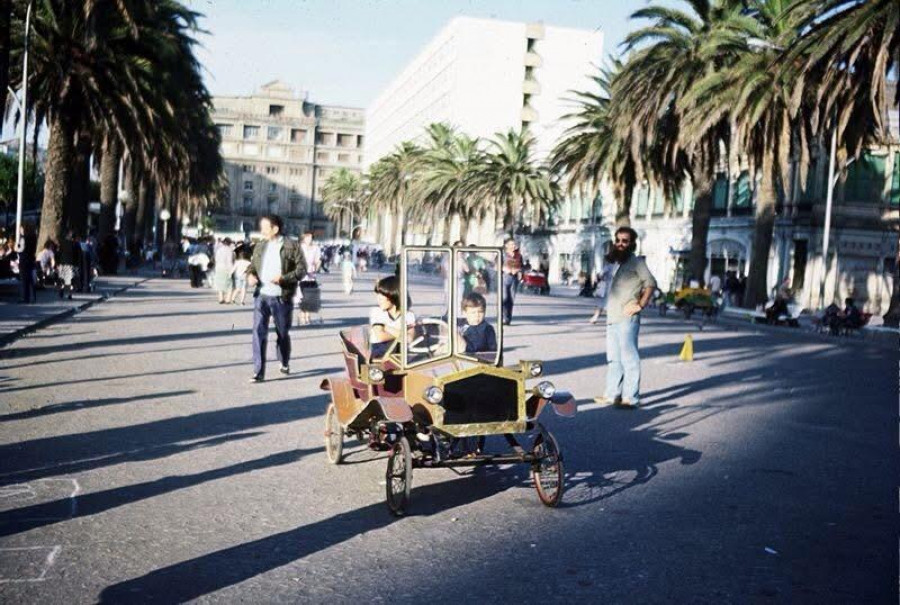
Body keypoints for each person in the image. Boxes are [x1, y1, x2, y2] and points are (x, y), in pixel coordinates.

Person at [593, 227, 657, 409]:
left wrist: (640, 304)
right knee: (613, 359)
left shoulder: (637, 263)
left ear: (632, 243)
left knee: (629, 358)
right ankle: (612, 395)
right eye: (618, 240)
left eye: (625, 241)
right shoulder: (615, 263)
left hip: (627, 318)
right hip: (612, 317)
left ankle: (631, 397)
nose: (621, 244)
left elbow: (651, 284)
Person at [246, 214, 307, 382]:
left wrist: (283, 278)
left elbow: (301, 271)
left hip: (281, 297)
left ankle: (284, 360)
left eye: (265, 228)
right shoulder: (260, 245)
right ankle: (258, 372)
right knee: (258, 333)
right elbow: (252, 266)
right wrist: (250, 276)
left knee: (282, 333)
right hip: (261, 295)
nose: (262, 231)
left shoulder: (291, 246)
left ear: (275, 229)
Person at [369, 275, 415, 359]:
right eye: (378, 295)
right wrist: (402, 333)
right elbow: (381, 336)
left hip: (401, 358)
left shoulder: (408, 315)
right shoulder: (377, 312)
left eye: (382, 295)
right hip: (379, 358)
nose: (378, 299)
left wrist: (385, 327)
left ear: (394, 294)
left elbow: (409, 339)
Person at [501, 237, 523, 325]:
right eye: (511, 244)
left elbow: (521, 266)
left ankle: (508, 319)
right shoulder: (502, 254)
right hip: (504, 277)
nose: (513, 246)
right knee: (504, 298)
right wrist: (505, 269)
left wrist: (519, 271)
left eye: (514, 244)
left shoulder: (519, 255)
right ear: (506, 245)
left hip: (514, 279)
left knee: (511, 300)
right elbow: (495, 265)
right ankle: (502, 317)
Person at [56, 230, 81, 300]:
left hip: (62, 263)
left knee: (62, 278)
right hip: (71, 264)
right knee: (70, 280)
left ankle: (62, 288)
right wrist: (77, 265)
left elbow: (58, 253)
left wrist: (57, 263)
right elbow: (78, 255)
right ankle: (70, 294)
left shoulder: (62, 243)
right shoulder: (76, 244)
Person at [16, 223, 38, 303]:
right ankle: (32, 297)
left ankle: (25, 298)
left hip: (24, 260)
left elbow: (20, 249)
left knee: (24, 280)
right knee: (30, 280)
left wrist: (16, 248)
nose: (20, 231)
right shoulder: (34, 237)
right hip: (31, 260)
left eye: (20, 229)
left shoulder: (23, 238)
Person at [213, 237, 235, 304]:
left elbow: (216, 259)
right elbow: (229, 261)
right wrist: (232, 270)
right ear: (229, 243)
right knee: (230, 285)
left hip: (218, 268)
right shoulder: (230, 250)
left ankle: (221, 298)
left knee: (220, 284)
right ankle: (228, 299)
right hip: (226, 268)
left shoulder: (219, 250)